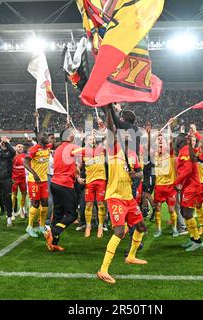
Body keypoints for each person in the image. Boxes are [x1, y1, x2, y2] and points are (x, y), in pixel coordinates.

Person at [97, 105, 146, 285]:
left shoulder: (133, 152)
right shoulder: (113, 146)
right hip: (115, 195)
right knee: (119, 232)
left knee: (141, 227)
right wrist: (109, 107)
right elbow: (110, 127)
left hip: (128, 197)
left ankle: (131, 256)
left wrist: (137, 175)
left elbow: (140, 173)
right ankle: (103, 270)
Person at [44, 127, 82, 251]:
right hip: (65, 185)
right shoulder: (69, 146)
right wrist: (99, 149)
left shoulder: (60, 148)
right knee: (72, 214)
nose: (74, 135)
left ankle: (53, 243)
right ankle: (54, 231)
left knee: (58, 214)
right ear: (68, 136)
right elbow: (84, 151)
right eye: (72, 133)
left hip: (55, 184)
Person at [174, 132, 203, 252]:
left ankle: (198, 241)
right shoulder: (184, 151)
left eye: (177, 140)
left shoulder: (185, 151)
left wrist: (176, 183)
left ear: (181, 141)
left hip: (191, 187)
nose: (175, 142)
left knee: (187, 213)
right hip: (187, 186)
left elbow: (187, 170)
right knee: (183, 211)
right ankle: (193, 238)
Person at [77, 132, 107, 238]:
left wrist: (102, 129)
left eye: (93, 139)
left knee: (101, 205)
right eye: (90, 139)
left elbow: (109, 140)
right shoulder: (83, 153)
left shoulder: (102, 149)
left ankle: (100, 225)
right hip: (89, 182)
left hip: (101, 181)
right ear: (85, 142)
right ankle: (88, 226)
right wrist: (78, 177)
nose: (92, 140)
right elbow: (77, 167)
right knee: (88, 205)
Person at [24, 132, 53, 237]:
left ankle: (41, 226)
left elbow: (58, 144)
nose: (48, 138)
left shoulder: (48, 147)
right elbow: (25, 162)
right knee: (35, 204)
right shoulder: (34, 149)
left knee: (45, 204)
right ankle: (30, 227)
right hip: (34, 181)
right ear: (40, 138)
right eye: (45, 136)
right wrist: (34, 174)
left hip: (44, 180)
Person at [152, 129, 179, 238]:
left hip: (170, 187)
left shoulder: (170, 154)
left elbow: (171, 143)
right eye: (158, 141)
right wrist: (156, 136)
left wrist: (169, 129)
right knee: (157, 208)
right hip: (158, 186)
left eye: (162, 141)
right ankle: (158, 229)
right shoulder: (154, 155)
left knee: (171, 209)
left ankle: (174, 228)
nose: (160, 143)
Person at [0, 136, 16, 227]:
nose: (4, 145)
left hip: (7, 179)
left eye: (5, 144)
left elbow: (13, 151)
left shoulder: (10, 154)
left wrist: (7, 142)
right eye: (3, 144)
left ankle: (9, 217)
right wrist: (1, 143)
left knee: (7, 197)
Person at [11, 144, 27, 219]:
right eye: (19, 147)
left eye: (22, 147)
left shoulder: (25, 156)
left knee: (24, 194)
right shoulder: (12, 156)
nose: (21, 148)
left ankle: (21, 210)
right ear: (15, 148)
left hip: (23, 178)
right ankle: (12, 212)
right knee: (14, 195)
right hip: (14, 178)